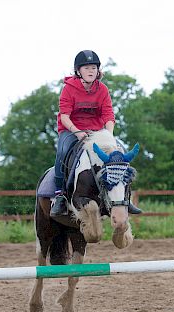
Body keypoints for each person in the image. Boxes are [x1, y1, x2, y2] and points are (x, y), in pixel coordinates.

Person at [50, 50, 142, 217]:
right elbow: (64, 117)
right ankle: (60, 196)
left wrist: (108, 134)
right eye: (86, 68)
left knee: (119, 152)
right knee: (62, 152)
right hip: (72, 130)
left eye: (93, 67)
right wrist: (77, 132)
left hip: (98, 131)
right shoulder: (68, 89)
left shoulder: (103, 89)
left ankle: (125, 199)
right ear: (78, 71)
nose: (91, 71)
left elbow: (108, 115)